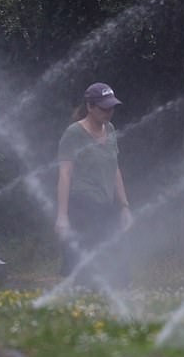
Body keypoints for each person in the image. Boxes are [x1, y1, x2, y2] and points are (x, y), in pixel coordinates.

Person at [55, 82, 133, 276]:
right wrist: (62, 216)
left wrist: (124, 206)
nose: (109, 112)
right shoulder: (74, 133)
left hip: (106, 206)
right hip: (82, 207)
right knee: (84, 267)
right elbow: (65, 174)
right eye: (104, 108)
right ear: (90, 106)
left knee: (119, 267)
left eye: (111, 108)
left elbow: (115, 169)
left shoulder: (110, 129)